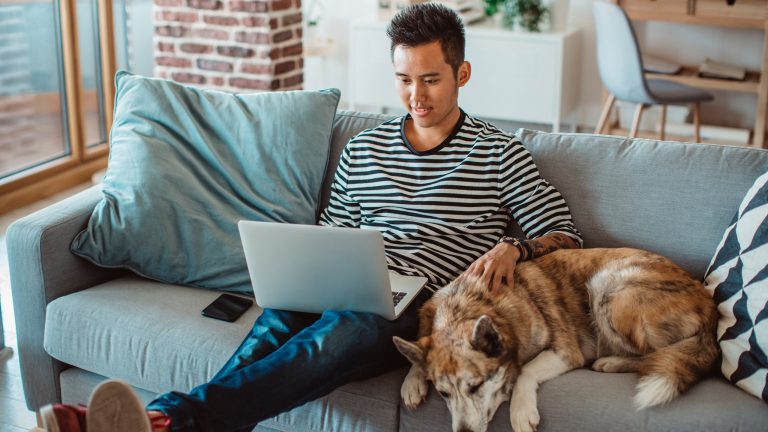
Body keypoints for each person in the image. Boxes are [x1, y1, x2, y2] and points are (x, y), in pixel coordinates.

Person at [39, 3, 582, 431]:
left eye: (431, 79)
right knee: (272, 328)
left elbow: (568, 237)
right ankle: (166, 425)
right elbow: (333, 234)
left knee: (337, 333)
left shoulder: (499, 152)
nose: (415, 96)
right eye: (404, 79)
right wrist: (306, 269)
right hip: (354, 281)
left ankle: (165, 418)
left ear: (462, 72)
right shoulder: (364, 150)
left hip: (425, 305)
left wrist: (515, 247)